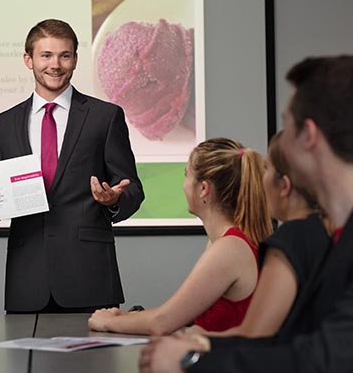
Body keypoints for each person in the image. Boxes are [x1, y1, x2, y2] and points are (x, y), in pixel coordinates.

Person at [139, 55, 353, 373]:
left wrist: (192, 360)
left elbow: (325, 358)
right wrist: (202, 345)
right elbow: (292, 340)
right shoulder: (336, 235)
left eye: (287, 125)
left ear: (308, 135)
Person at [0, 18, 144, 313]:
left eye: (64, 55)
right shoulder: (4, 124)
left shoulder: (105, 117)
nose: (55, 64)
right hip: (27, 280)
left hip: (90, 277)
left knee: (98, 360)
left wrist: (116, 199)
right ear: (28, 60)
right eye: (46, 55)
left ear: (75, 60)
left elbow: (133, 187)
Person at [88, 138, 272, 335]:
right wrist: (126, 318)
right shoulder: (223, 241)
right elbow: (180, 313)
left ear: (203, 189)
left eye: (187, 176)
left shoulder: (229, 248)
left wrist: (107, 322)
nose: (184, 185)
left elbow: (162, 322)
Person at [188, 131, 331, 338]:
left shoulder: (290, 240)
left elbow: (258, 336)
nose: (260, 182)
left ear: (284, 186)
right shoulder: (321, 234)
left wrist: (200, 339)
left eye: (267, 171)